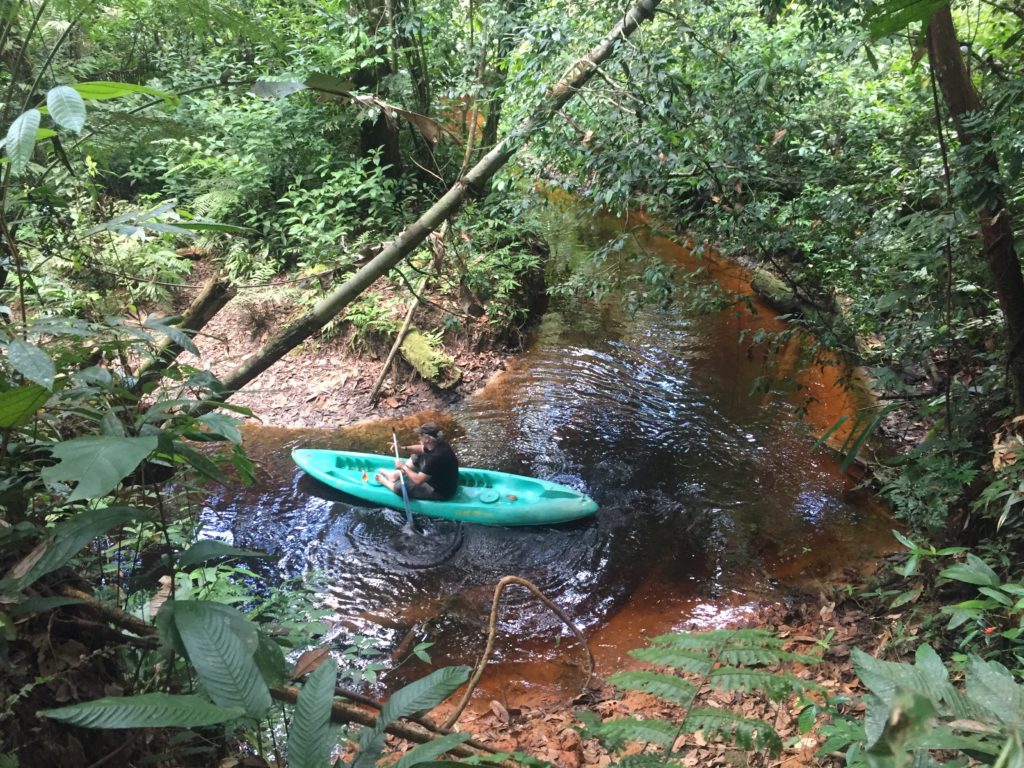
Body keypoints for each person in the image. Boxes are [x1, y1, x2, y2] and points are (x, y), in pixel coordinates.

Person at [375, 422, 459, 501]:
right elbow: (420, 448)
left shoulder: (435, 457)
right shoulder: (439, 444)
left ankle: (386, 483)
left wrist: (403, 466)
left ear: (427, 439)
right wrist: (401, 448)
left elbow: (418, 481)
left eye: (420, 435)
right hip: (440, 479)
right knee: (417, 454)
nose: (419, 437)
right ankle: (394, 475)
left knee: (401, 487)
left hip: (440, 492)